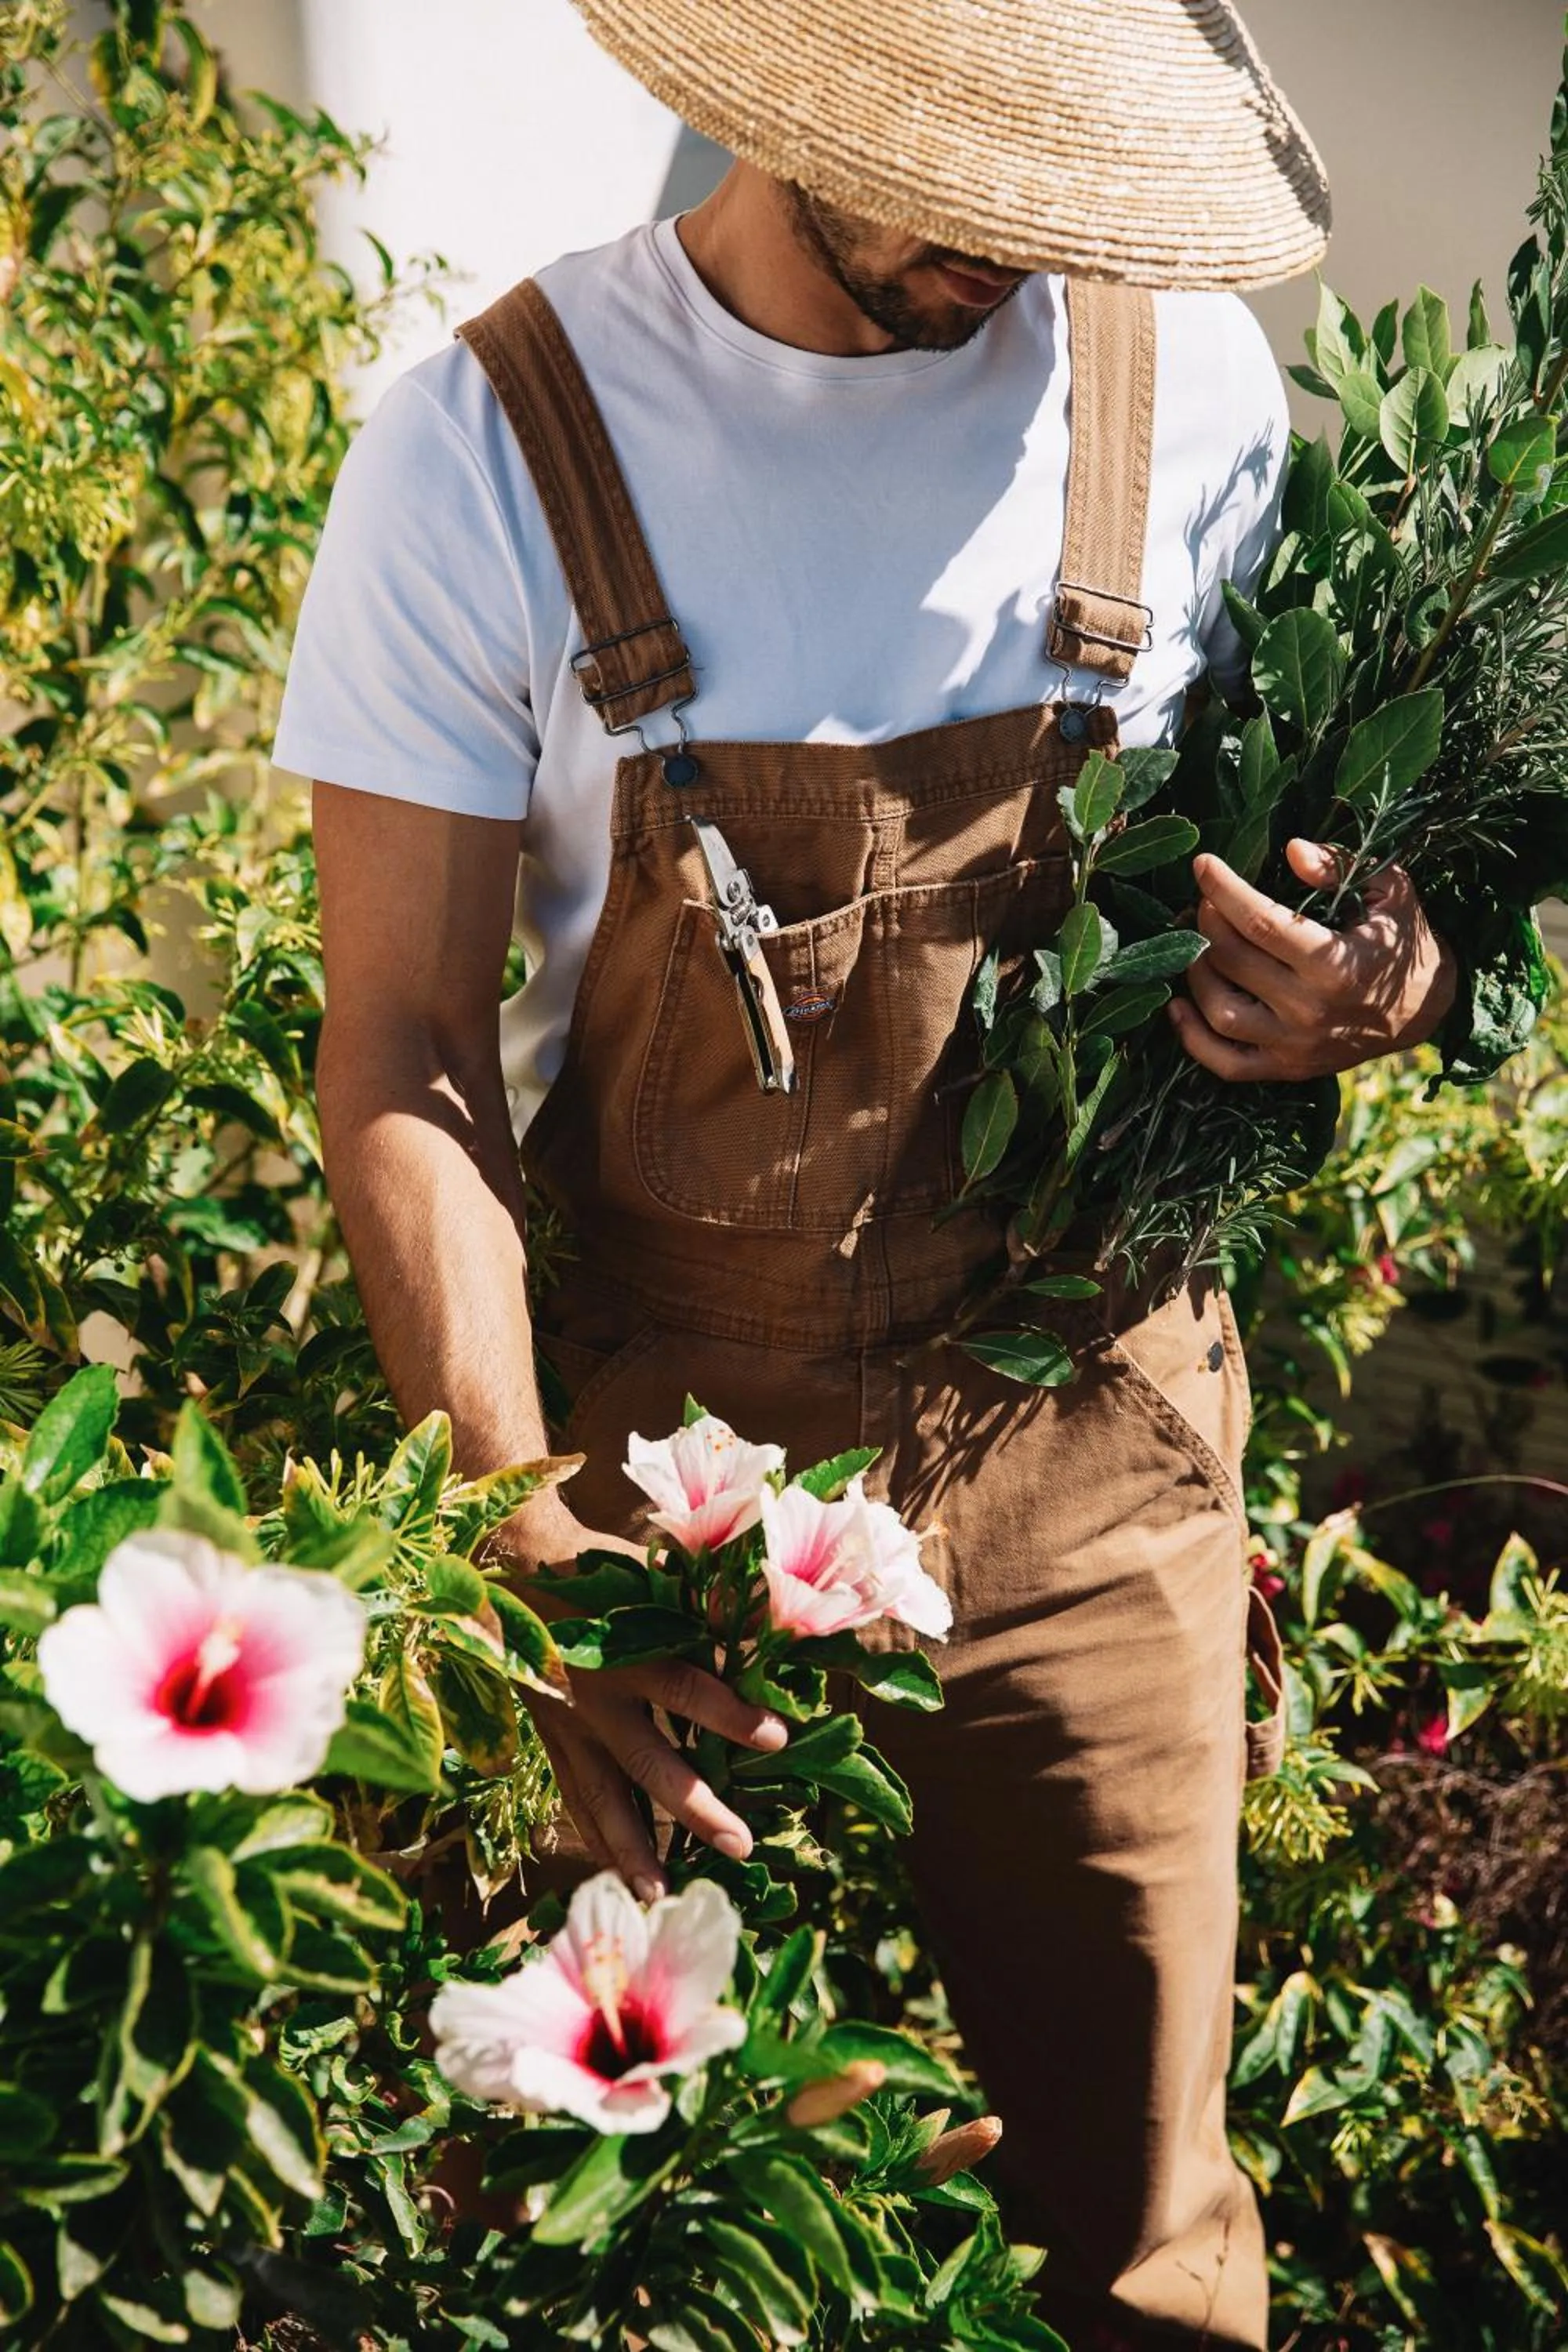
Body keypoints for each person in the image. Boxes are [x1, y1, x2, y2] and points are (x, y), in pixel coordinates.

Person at [273, 4, 1457, 2342]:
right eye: (967, 175)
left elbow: (1331, 866)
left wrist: (1363, 978)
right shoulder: (495, 451)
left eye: (1063, 183)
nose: (1021, 246)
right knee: (636, 2233)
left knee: (1136, 2251)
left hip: (1099, 1460)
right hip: (662, 1525)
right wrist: (516, 1539)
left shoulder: (1185, 389)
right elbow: (401, 1050)